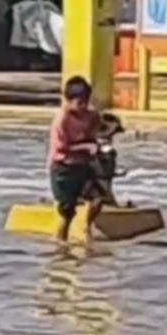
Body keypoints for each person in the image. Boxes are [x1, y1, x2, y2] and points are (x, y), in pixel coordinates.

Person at [47, 76, 104, 242]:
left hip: (83, 166)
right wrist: (86, 147)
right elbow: (60, 147)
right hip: (63, 167)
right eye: (79, 102)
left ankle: (87, 228)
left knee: (97, 198)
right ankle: (60, 242)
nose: (83, 106)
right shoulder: (61, 120)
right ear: (69, 100)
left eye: (86, 102)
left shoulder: (90, 115)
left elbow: (98, 128)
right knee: (67, 212)